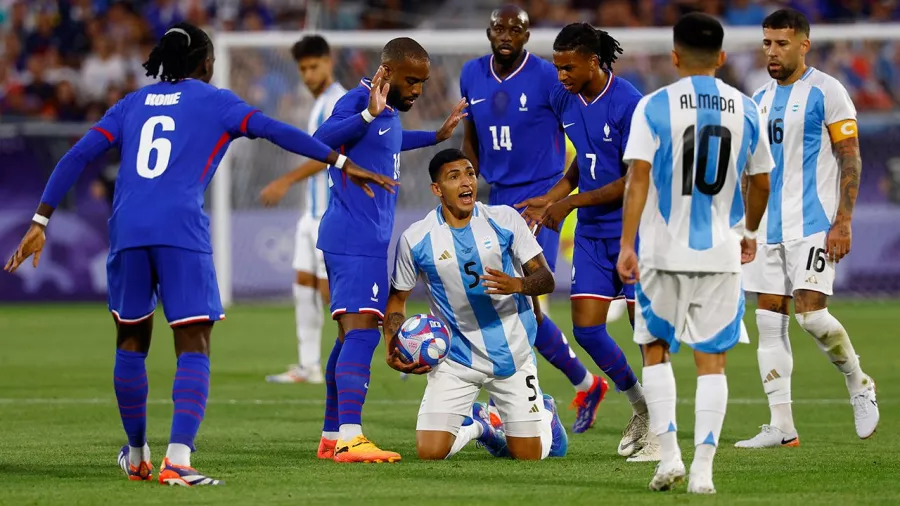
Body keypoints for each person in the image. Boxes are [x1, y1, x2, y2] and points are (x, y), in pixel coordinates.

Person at [3, 23, 393, 486]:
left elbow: (76, 156)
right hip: (180, 229)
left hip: (125, 228)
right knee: (193, 343)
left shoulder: (132, 103)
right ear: (207, 63)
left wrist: (40, 221)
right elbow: (276, 131)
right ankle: (178, 459)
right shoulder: (216, 101)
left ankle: (136, 453)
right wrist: (344, 162)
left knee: (130, 341)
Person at [617, 13, 773, 493]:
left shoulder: (654, 106)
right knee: (713, 362)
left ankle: (670, 458)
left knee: (655, 353)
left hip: (663, 253)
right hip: (721, 254)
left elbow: (638, 178)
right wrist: (748, 231)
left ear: (675, 57)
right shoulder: (747, 107)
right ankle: (703, 472)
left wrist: (627, 244)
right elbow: (762, 180)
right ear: (722, 58)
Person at [311, 37, 468, 463]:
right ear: (388, 71)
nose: (417, 89)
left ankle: (331, 436)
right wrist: (366, 113)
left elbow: (386, 141)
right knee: (361, 334)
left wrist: (435, 136)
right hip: (354, 238)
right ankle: (350, 437)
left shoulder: (387, 112)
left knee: (348, 338)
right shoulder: (360, 100)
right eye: (411, 80)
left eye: (423, 81)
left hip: (360, 238)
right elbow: (320, 140)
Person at [458, 5, 607, 434]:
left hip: (538, 200)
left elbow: (578, 129)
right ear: (488, 32)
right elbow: (472, 135)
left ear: (527, 36)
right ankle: (583, 384)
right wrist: (467, 182)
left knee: (517, 303)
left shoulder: (549, 76)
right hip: (497, 200)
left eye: (515, 28)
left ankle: (523, 405)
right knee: (516, 307)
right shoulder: (471, 74)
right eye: (499, 27)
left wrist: (559, 194)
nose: (506, 34)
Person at [737, 8, 879, 448]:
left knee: (813, 318)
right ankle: (782, 426)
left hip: (814, 223)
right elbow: (752, 172)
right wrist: (747, 228)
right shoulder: (757, 99)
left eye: (782, 43)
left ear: (804, 44)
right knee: (768, 321)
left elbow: (850, 155)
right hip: (767, 231)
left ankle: (859, 382)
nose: (773, 52)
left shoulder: (827, 90)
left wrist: (844, 221)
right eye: (767, 43)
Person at [516, 22, 652, 461]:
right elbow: (583, 162)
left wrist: (569, 204)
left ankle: (660, 427)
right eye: (557, 67)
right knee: (587, 329)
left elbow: (631, 179)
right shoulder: (566, 99)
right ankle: (641, 407)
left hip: (632, 231)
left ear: (594, 61)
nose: (561, 76)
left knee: (644, 333)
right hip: (593, 235)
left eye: (568, 67)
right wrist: (553, 196)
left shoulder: (629, 103)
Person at [384, 148, 568, 461]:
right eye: (454, 176)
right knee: (430, 453)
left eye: (469, 173)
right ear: (437, 190)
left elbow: (546, 279)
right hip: (456, 360)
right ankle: (480, 427)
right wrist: (392, 346)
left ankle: (545, 411)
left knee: (531, 455)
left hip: (512, 353)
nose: (466, 181)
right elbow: (397, 300)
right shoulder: (416, 239)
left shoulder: (504, 219)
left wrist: (518, 285)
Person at [259, 35, 347, 385]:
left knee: (330, 295)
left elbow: (331, 153)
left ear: (329, 62)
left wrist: (285, 180)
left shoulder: (336, 101)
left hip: (330, 212)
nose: (309, 74)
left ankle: (358, 355)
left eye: (315, 66)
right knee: (303, 288)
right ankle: (308, 365)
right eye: (303, 69)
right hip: (310, 214)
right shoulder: (318, 103)